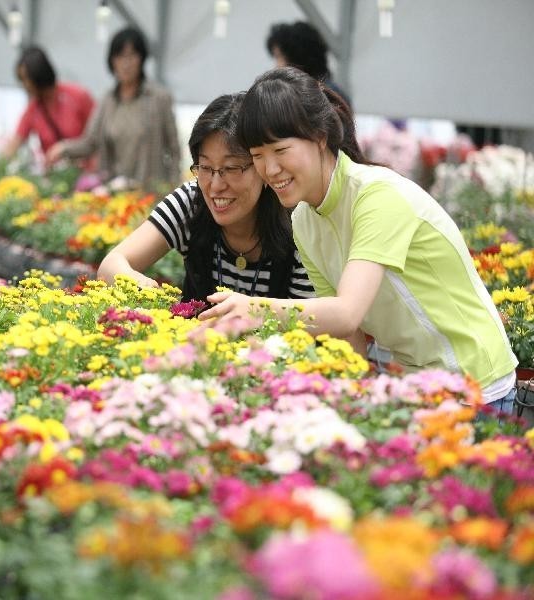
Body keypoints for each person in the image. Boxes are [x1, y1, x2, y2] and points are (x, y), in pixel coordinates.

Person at [199, 66, 518, 413]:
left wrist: (256, 310)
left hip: (478, 387)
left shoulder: (377, 196)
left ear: (319, 137)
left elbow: (347, 312)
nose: (270, 169)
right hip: (418, 389)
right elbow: (342, 331)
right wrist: (354, 399)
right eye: (258, 156)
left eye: (280, 150)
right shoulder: (305, 219)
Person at [97, 93, 315, 303]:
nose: (216, 185)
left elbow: (307, 326)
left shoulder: (302, 226)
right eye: (206, 167)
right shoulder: (191, 201)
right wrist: (142, 287)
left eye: (231, 168)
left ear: (263, 166)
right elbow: (111, 264)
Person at [46, 26, 180, 190]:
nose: (126, 63)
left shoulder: (159, 98)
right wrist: (63, 148)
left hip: (151, 195)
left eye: (132, 55)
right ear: (112, 61)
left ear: (142, 58)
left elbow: (174, 149)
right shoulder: (107, 101)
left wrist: (174, 190)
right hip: (116, 196)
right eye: (120, 56)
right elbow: (90, 142)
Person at [2, 46, 95, 160]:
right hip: (54, 174)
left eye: (25, 79)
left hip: (85, 172)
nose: (24, 85)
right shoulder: (33, 108)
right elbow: (15, 143)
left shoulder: (78, 96)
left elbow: (97, 136)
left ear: (39, 73)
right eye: (21, 80)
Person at [266, 21, 352, 109]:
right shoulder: (324, 92)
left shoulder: (323, 97)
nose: (276, 66)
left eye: (279, 57)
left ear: (297, 57)